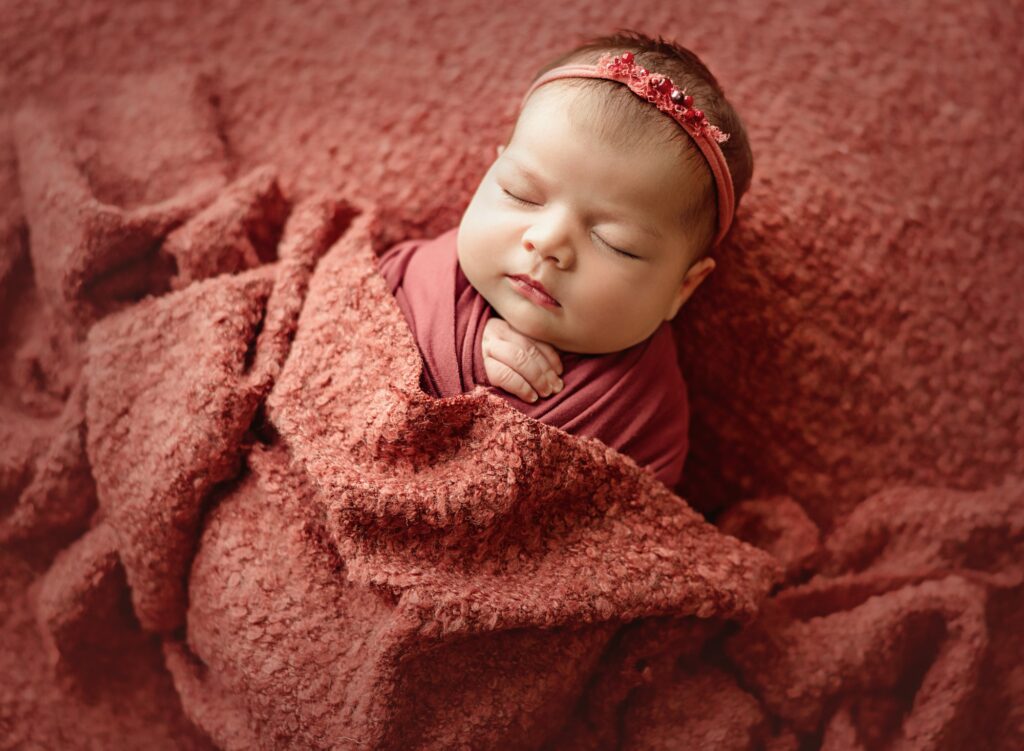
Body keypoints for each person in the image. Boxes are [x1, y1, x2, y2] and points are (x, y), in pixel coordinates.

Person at [377, 29, 754, 488]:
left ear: (683, 288)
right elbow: (353, 320)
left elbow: (632, 535)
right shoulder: (419, 275)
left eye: (616, 243)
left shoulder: (644, 413)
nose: (549, 241)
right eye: (521, 194)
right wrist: (452, 343)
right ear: (488, 174)